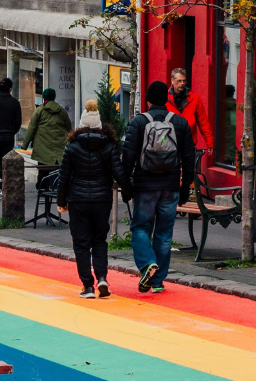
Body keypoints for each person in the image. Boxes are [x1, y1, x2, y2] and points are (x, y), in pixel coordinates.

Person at [121, 81, 195, 294]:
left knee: (140, 228)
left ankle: (147, 264)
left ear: (148, 99)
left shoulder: (139, 122)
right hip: (170, 186)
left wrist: (126, 186)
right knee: (164, 233)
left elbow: (128, 156)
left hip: (144, 186)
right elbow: (189, 158)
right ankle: (158, 281)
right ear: (167, 98)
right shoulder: (180, 123)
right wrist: (185, 187)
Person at [56, 108, 126, 299]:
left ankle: (88, 286)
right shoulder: (109, 146)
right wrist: (129, 192)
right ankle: (102, 277)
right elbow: (118, 173)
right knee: (99, 240)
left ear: (81, 125)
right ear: (99, 125)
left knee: (81, 243)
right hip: (102, 199)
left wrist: (61, 201)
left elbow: (64, 177)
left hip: (78, 200)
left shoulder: (71, 147)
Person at [166, 68, 213, 158]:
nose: (182, 83)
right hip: (169, 144)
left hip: (189, 144)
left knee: (189, 171)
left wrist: (209, 142)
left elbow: (203, 122)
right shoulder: (165, 99)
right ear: (172, 81)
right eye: (179, 81)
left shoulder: (194, 98)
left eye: (184, 81)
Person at [22, 88, 72, 167]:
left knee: (43, 172)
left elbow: (31, 129)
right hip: (59, 147)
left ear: (43, 97)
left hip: (42, 149)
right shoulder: (62, 111)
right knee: (56, 173)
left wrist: (25, 145)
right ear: (54, 97)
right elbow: (68, 127)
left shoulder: (39, 110)